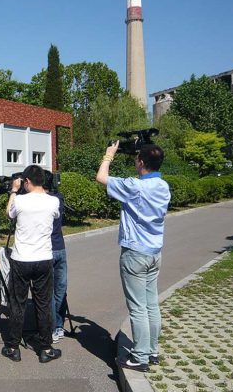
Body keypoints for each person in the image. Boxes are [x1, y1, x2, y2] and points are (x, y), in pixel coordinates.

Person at [96, 142, 170, 372]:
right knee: (151, 305)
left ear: (141, 163)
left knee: (137, 308)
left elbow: (101, 177)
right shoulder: (163, 186)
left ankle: (140, 357)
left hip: (135, 253)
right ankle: (153, 350)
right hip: (154, 253)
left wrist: (109, 155)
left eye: (137, 159)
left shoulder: (135, 187)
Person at [1, 165, 62, 364]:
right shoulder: (53, 201)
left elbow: (8, 213)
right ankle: (45, 348)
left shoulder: (19, 200)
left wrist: (13, 190)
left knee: (17, 303)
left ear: (26, 181)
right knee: (43, 303)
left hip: (21, 259)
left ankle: (12, 346)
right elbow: (55, 217)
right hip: (44, 258)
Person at [42, 171, 68, 344]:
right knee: (60, 289)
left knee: (49, 292)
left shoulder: (39, 201)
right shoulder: (58, 198)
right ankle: (58, 325)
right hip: (60, 248)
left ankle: (52, 328)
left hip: (46, 250)